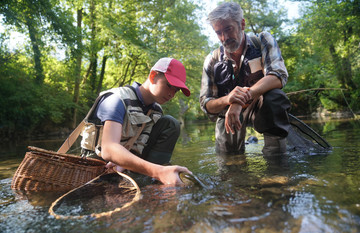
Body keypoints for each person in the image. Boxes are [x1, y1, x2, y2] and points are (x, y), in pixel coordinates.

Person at [80, 57, 192, 185]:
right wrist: (159, 171)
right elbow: (109, 149)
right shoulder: (117, 100)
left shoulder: (156, 111)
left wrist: (124, 164)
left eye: (176, 90)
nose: (172, 94)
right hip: (97, 167)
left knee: (170, 124)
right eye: (169, 86)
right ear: (153, 75)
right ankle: (158, 175)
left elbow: (138, 145)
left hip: (124, 164)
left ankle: (151, 181)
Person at [200, 2, 291, 155]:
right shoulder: (211, 60)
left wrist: (239, 100)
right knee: (228, 162)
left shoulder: (263, 41)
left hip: (260, 107)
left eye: (228, 29)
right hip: (228, 114)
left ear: (242, 24)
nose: (224, 37)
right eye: (218, 32)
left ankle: (277, 167)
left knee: (275, 98)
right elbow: (206, 104)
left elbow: (278, 75)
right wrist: (228, 100)